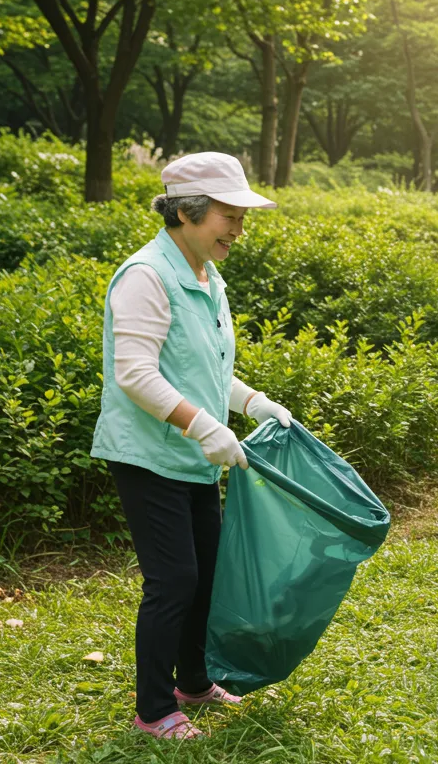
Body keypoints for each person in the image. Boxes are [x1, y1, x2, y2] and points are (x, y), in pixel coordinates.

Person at [90, 152, 290, 740]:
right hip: (148, 455)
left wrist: (251, 402)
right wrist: (205, 426)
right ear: (186, 211)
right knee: (174, 579)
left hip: (194, 459)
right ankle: (154, 710)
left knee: (208, 572)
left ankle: (194, 682)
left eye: (241, 217)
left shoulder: (207, 275)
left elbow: (203, 371)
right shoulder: (146, 275)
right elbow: (136, 373)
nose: (237, 229)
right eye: (227, 215)